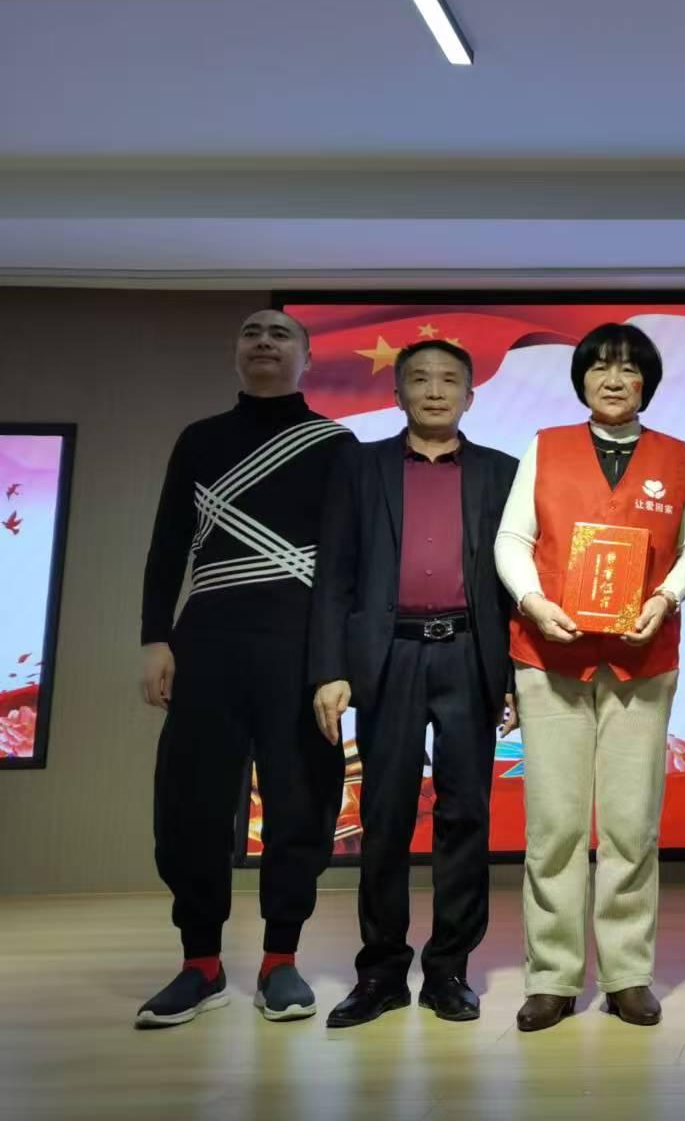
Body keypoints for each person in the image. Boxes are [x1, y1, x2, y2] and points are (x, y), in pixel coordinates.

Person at [135, 309, 351, 1028]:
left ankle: (279, 960)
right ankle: (199, 963)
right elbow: (169, 544)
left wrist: (335, 662)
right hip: (207, 642)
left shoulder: (337, 445)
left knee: (301, 802)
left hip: (299, 647)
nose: (264, 341)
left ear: (307, 357)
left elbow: (345, 563)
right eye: (252, 333)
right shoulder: (199, 439)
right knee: (190, 802)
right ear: (235, 352)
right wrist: (155, 637)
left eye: (280, 334)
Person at [307, 340, 518, 1027]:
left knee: (466, 818)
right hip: (388, 656)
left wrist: (513, 676)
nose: (434, 390)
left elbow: (516, 581)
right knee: (386, 816)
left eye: (449, 379)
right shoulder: (360, 466)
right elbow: (334, 574)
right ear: (396, 393)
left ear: (470, 396)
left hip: (469, 654)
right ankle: (381, 973)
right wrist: (330, 669)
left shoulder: (502, 472)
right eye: (420, 379)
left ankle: (450, 968)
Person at [495, 323, 685, 1031]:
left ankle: (627, 973)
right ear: (581, 379)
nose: (614, 379)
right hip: (549, 654)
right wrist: (533, 602)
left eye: (629, 368)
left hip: (643, 658)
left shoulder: (679, 456)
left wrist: (666, 597)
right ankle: (552, 976)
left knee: (631, 823)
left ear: (647, 383)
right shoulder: (545, 447)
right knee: (553, 823)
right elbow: (512, 538)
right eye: (600, 367)